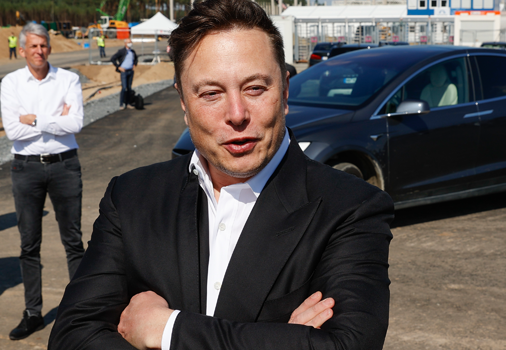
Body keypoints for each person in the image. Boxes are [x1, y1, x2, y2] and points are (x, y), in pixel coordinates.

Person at [48, 0, 393, 349]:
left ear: (285, 91)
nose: (237, 113)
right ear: (183, 101)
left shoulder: (351, 208)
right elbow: (72, 336)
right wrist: (279, 338)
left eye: (255, 88)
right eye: (211, 93)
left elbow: (349, 345)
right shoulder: (131, 197)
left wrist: (168, 330)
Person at [0, 22, 84, 341]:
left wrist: (34, 118)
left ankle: (79, 310)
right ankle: (33, 313)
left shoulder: (69, 79)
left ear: (50, 47)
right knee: (28, 244)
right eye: (33, 46)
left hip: (65, 166)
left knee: (73, 240)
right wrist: (55, 121)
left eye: (44, 45)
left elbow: (76, 122)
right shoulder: (10, 83)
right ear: (22, 50)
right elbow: (12, 131)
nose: (39, 51)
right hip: (26, 169)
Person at [110, 38, 138, 109]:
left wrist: (134, 64)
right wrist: (118, 67)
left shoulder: (132, 52)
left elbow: (136, 59)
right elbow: (113, 58)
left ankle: (128, 103)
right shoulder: (121, 51)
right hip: (124, 72)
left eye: (131, 42)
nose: (130, 43)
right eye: (129, 42)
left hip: (130, 71)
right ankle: (121, 104)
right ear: (125, 43)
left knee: (129, 88)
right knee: (124, 87)